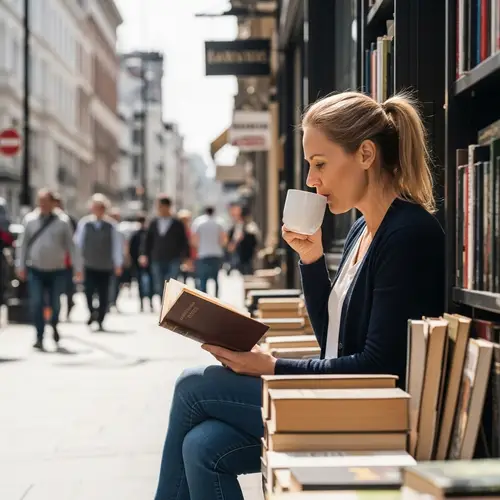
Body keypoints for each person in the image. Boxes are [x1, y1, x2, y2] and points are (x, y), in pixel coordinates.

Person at [153, 91, 446, 500]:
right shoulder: (363, 229)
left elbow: (376, 366)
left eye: (319, 163)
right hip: (342, 400)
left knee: (192, 386)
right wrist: (311, 259)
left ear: (365, 154)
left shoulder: (408, 235)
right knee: (202, 446)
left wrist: (271, 366)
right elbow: (332, 340)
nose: (311, 179)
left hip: (370, 412)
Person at [16, 189, 80, 350]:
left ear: (53, 203)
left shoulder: (62, 221)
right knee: (37, 302)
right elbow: (22, 244)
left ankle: (54, 324)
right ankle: (39, 335)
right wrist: (20, 265)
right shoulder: (30, 220)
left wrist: (77, 267)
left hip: (57, 269)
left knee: (55, 303)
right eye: (41, 201)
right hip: (35, 268)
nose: (43, 205)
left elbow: (71, 246)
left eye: (46, 201)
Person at [74, 194, 123, 331]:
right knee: (88, 291)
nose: (98, 210)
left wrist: (118, 263)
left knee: (104, 293)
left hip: (105, 265)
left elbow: (116, 246)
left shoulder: (112, 226)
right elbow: (78, 244)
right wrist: (77, 264)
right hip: (89, 264)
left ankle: (100, 318)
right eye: (95, 207)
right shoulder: (85, 223)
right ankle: (92, 312)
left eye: (100, 207)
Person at [139, 195, 189, 298]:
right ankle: (163, 305)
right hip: (157, 258)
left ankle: (169, 305)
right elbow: (148, 240)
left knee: (171, 283)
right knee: (159, 284)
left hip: (173, 258)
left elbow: (183, 241)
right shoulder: (153, 222)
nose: (159, 209)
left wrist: (186, 258)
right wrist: (143, 254)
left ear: (167, 207)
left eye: (161, 206)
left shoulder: (177, 223)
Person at [191, 206, 227, 297]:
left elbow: (194, 239)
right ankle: (217, 298)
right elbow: (224, 239)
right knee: (216, 278)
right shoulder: (219, 222)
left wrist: (199, 247)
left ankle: (205, 299)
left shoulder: (198, 222)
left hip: (203, 254)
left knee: (203, 279)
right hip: (216, 254)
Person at [52, 193, 77, 320]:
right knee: (55, 290)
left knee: (68, 287)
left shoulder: (68, 220)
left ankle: (69, 306)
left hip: (66, 260)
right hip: (52, 261)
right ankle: (54, 314)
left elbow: (74, 242)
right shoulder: (42, 219)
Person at [129, 213, 153, 312]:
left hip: (149, 262)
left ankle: (150, 302)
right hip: (138, 262)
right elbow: (132, 248)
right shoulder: (136, 234)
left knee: (151, 282)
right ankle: (142, 303)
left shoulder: (149, 233)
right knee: (140, 283)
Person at [227, 205, 259, 276]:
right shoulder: (240, 225)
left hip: (247, 252)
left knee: (247, 270)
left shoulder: (249, 225)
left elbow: (252, 238)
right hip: (242, 253)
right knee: (244, 270)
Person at [177, 209, 196, 285]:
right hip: (178, 257)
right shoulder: (176, 230)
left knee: (191, 278)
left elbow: (193, 245)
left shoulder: (191, 231)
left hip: (189, 256)